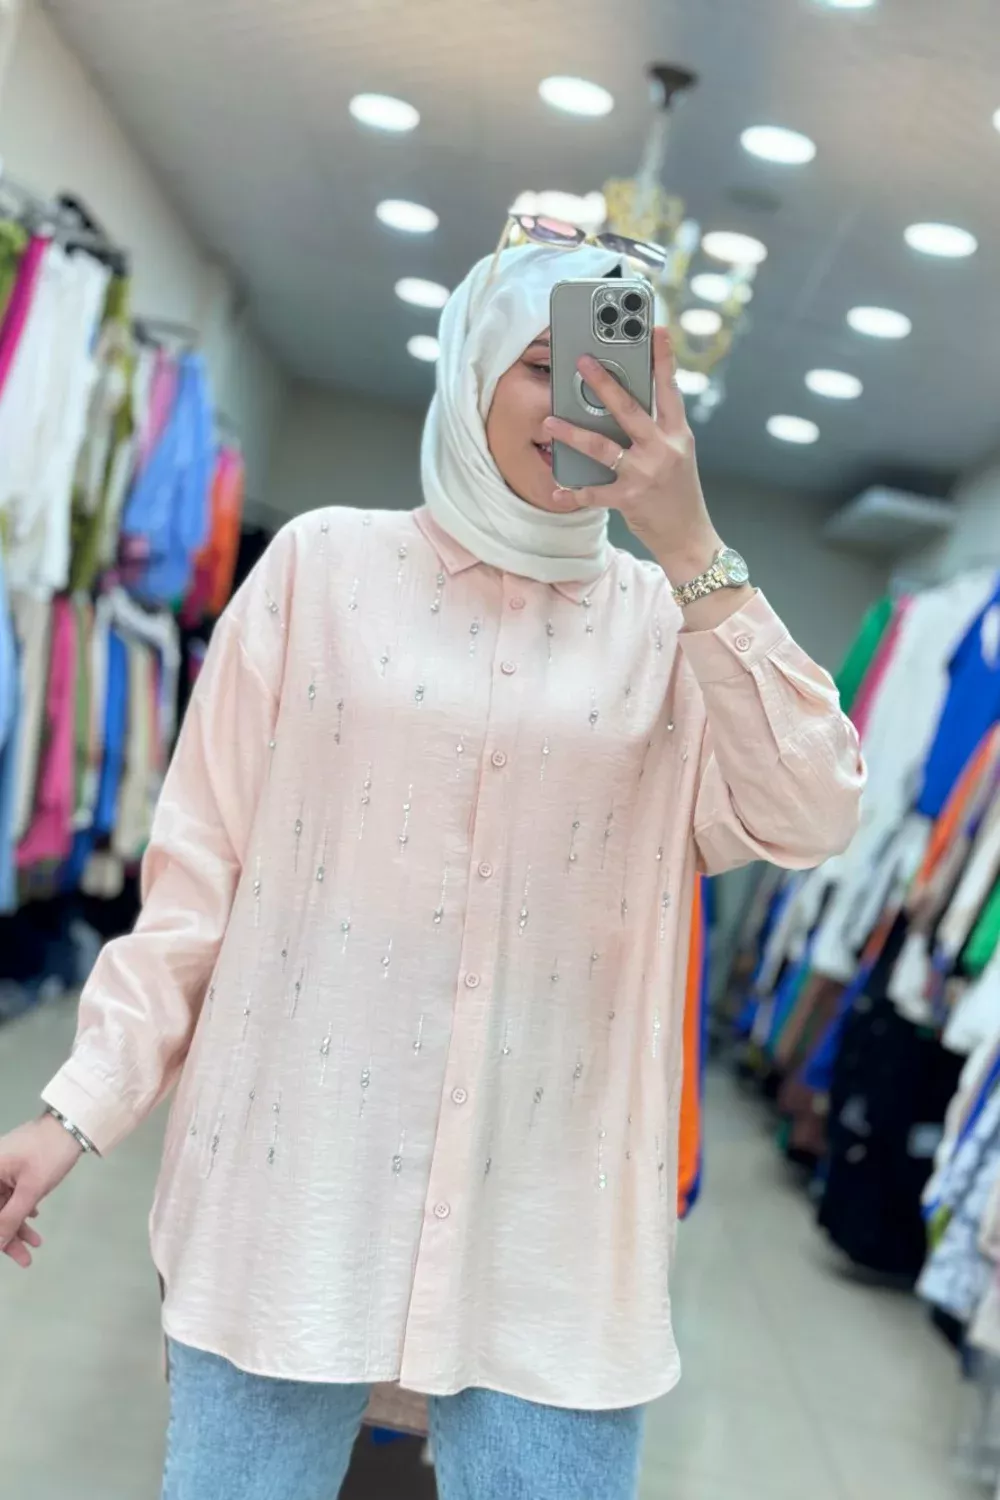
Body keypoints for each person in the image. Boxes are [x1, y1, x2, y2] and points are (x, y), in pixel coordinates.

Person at [0, 242, 865, 1500]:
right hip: (290, 1194)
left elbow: (814, 813)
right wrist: (76, 1109)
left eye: (621, 374)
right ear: (469, 374)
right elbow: (197, 886)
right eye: (544, 365)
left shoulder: (664, 626)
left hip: (552, 1236)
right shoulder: (319, 569)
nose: (586, 401)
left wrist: (693, 548)